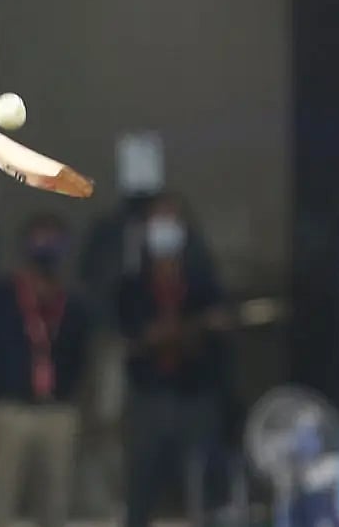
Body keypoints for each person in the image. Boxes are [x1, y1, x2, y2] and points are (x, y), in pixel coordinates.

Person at [0, 213, 91, 527]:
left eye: (54, 239)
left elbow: (85, 364)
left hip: (57, 411)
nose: (46, 247)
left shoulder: (73, 304)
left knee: (56, 505)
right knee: (0, 503)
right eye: (40, 238)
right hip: (7, 411)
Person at [115, 192, 231, 527]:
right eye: (158, 220)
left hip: (195, 395)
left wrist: (193, 332)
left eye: (172, 220)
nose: (164, 228)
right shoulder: (132, 285)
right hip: (148, 396)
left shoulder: (203, 280)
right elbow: (131, 336)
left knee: (201, 486)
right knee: (142, 486)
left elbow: (219, 328)